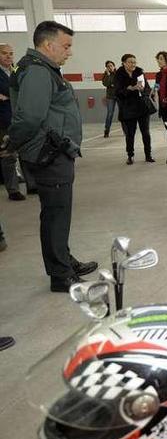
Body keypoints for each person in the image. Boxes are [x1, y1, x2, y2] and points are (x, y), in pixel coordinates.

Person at [7, 21, 98, 293]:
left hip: (56, 151)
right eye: (66, 46)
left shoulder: (45, 69)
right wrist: (12, 141)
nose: (69, 52)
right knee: (56, 215)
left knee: (59, 213)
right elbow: (30, 116)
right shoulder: (36, 71)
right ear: (48, 45)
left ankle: (64, 261)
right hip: (49, 153)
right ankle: (60, 274)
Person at [1, 43, 28, 201]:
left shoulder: (16, 70)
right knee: (8, 155)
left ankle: (31, 185)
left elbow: (24, 91)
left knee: (25, 152)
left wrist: (7, 97)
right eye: (5, 53)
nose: (9, 56)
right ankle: (13, 190)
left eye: (11, 53)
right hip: (4, 120)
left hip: (21, 119)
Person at [115, 54, 154, 165]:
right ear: (123, 63)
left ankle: (148, 154)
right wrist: (130, 89)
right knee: (130, 134)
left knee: (145, 132)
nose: (133, 64)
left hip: (142, 106)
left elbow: (147, 88)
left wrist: (143, 90)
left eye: (134, 62)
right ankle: (130, 156)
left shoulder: (140, 72)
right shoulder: (119, 75)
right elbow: (117, 92)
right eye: (130, 62)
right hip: (128, 108)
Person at [101, 60, 117, 138]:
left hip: (119, 95)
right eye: (108, 66)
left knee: (123, 113)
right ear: (106, 68)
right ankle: (107, 130)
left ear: (114, 66)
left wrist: (112, 84)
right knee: (110, 114)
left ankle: (126, 130)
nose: (110, 67)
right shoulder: (105, 75)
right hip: (110, 96)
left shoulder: (118, 73)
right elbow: (106, 83)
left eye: (111, 65)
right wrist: (108, 75)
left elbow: (117, 83)